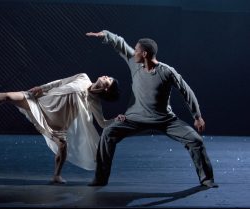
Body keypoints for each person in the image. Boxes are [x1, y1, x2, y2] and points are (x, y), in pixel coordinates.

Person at [86, 30, 218, 188]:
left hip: (165, 120)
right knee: (108, 133)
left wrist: (197, 116)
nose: (133, 52)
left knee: (195, 140)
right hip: (134, 119)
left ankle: (207, 179)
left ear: (145, 53)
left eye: (136, 50)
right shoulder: (135, 63)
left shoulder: (167, 72)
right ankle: (100, 178)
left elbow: (186, 91)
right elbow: (121, 44)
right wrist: (106, 35)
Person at [0, 73, 120, 184]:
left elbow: (102, 123)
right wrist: (41, 87)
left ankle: (56, 176)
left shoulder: (94, 101)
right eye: (108, 76)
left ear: (107, 89)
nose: (106, 76)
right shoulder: (83, 77)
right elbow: (60, 82)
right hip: (42, 103)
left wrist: (115, 120)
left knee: (62, 147)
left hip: (57, 123)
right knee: (8, 96)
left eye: (109, 79)